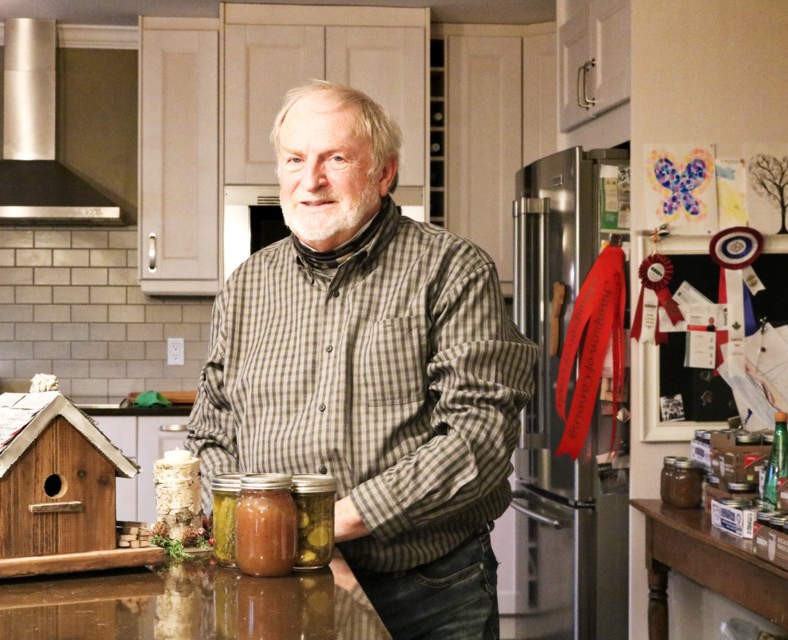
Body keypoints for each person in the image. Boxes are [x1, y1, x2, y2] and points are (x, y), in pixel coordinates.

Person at [185, 79, 537, 639]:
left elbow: (479, 438)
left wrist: (326, 525)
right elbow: (212, 431)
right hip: (273, 577)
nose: (311, 181)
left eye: (337, 158)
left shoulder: (452, 269)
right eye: (295, 159)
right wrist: (257, 535)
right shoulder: (247, 285)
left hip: (427, 590)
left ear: (384, 173)